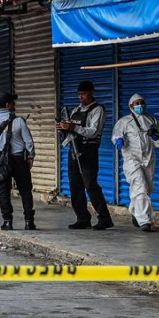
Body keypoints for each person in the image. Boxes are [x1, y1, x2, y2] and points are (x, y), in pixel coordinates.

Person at [57, 80, 114, 230]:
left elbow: (93, 131)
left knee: (90, 185)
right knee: (75, 185)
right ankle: (82, 218)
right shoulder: (76, 110)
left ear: (91, 92)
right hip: (73, 150)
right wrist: (63, 128)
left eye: (83, 94)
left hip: (88, 151)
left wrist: (73, 127)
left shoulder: (98, 110)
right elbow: (70, 130)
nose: (81, 97)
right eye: (79, 94)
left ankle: (104, 218)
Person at [0, 91, 36, 231]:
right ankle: (29, 222)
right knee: (25, 191)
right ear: (7, 105)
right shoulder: (19, 121)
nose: (15, 105)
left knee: (4, 191)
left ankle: (7, 222)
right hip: (18, 160)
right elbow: (29, 142)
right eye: (13, 103)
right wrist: (31, 157)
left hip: (0, 162)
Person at [112, 94, 159, 232]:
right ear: (131, 106)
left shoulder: (151, 120)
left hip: (148, 159)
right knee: (140, 187)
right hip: (132, 160)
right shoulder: (124, 121)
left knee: (147, 189)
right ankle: (145, 221)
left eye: (141, 102)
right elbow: (116, 135)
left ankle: (135, 211)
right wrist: (118, 140)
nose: (139, 105)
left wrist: (156, 136)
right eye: (136, 103)